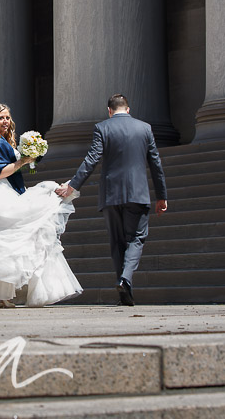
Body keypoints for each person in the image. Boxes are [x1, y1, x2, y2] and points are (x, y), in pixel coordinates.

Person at [0, 103, 83, 309]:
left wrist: (28, 159)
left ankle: (0, 294)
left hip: (6, 191)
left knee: (10, 245)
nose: (5, 121)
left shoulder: (2, 141)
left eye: (8, 117)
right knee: (11, 242)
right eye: (1, 118)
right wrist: (23, 162)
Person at [55, 94, 167, 306]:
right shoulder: (144, 128)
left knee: (117, 243)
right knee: (136, 238)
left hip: (111, 195)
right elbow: (156, 164)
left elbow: (92, 159)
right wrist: (161, 196)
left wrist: (73, 185)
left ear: (109, 111)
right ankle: (125, 280)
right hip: (137, 193)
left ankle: (124, 290)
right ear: (128, 109)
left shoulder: (102, 128)